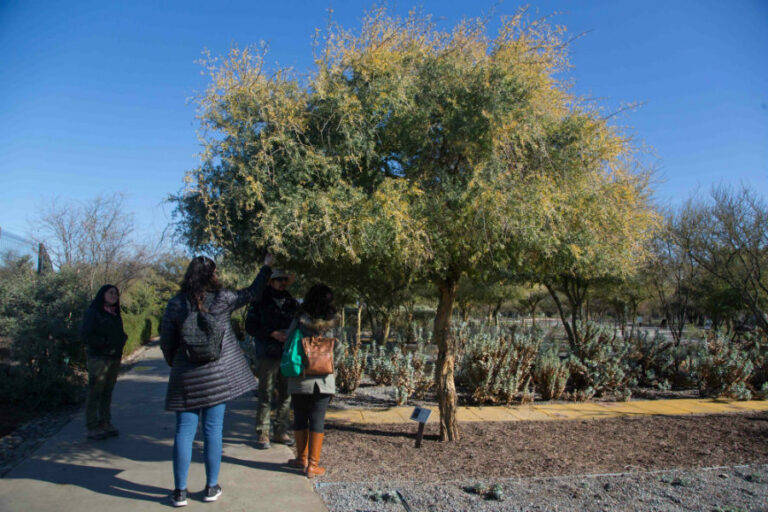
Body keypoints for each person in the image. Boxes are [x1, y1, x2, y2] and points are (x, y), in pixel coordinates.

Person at [160, 254, 273, 507]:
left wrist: (174, 362)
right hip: (217, 378)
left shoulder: (176, 303)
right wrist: (265, 267)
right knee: (213, 431)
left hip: (186, 376)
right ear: (212, 275)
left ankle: (180, 492)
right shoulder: (223, 299)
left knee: (183, 432)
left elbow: (166, 339)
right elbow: (252, 293)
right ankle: (211, 487)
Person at [284, 283, 337, 478]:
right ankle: (313, 465)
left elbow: (289, 338)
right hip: (324, 377)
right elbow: (338, 348)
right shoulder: (333, 321)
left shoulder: (299, 318)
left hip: (300, 376)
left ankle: (302, 458)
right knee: (317, 419)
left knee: (299, 417)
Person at [245, 268, 298, 449]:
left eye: (284, 279)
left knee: (286, 394)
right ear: (271, 282)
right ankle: (263, 433)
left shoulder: (292, 302)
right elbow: (250, 326)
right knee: (266, 393)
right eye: (278, 279)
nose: (282, 282)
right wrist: (271, 333)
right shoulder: (259, 301)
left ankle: (281, 431)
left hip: (287, 354)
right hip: (267, 353)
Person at [81, 284, 128, 441]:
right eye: (111, 293)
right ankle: (92, 426)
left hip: (114, 357)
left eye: (116, 293)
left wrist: (122, 340)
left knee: (107, 391)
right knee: (95, 391)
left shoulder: (115, 314)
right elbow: (86, 335)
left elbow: (119, 333)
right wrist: (104, 343)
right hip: (99, 358)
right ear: (103, 294)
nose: (114, 295)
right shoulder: (94, 313)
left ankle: (105, 422)